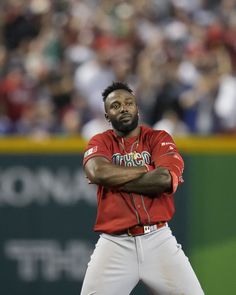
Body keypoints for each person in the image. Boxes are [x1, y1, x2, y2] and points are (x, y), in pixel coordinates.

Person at [81, 82, 204, 295]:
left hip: (158, 238)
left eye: (129, 103)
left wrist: (115, 179)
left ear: (137, 108)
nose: (124, 108)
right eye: (116, 105)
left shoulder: (159, 138)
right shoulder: (100, 141)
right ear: (107, 116)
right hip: (115, 243)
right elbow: (98, 173)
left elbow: (165, 178)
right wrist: (148, 168)